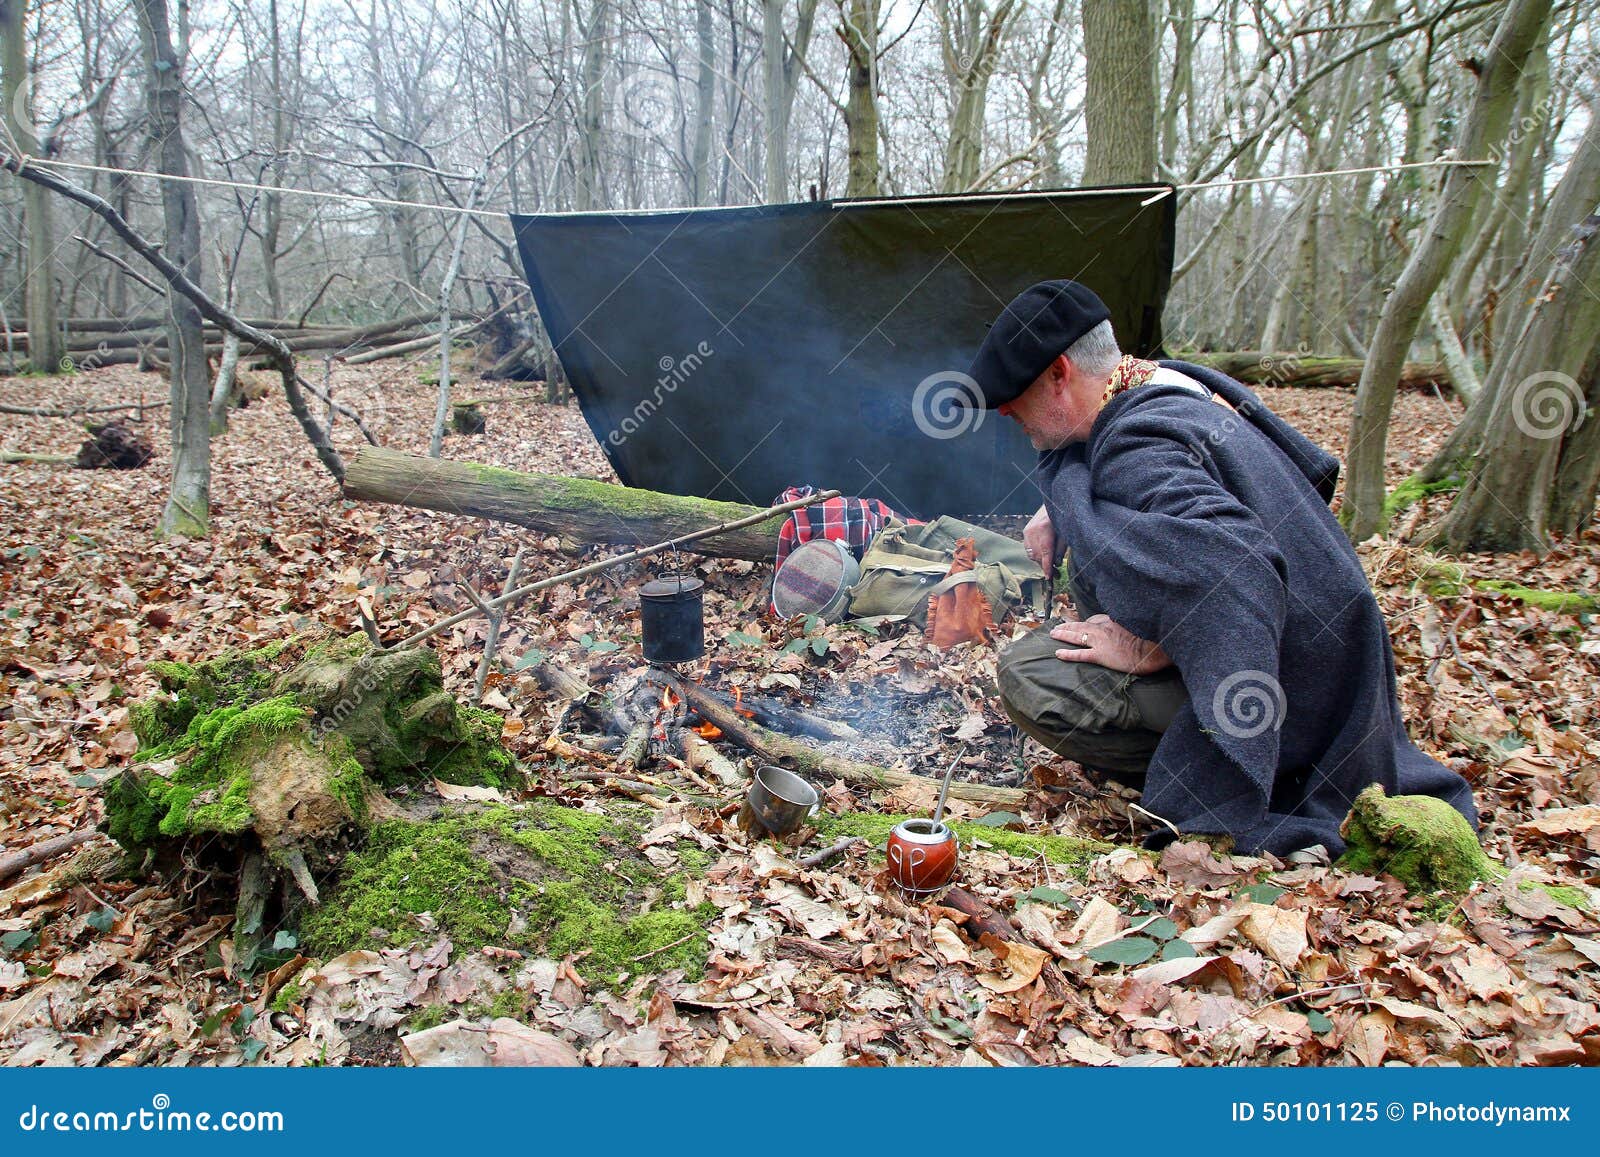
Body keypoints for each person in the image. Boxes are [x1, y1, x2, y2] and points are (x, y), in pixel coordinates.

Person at [962, 280, 1477, 857]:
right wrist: (1056, 501)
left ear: (1060, 372)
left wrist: (1150, 648)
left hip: (1291, 689)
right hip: (1339, 665)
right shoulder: (1172, 385)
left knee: (1030, 673)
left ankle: (1231, 768)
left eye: (1013, 393)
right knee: (1095, 539)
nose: (1005, 408)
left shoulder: (1138, 450)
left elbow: (1238, 567)